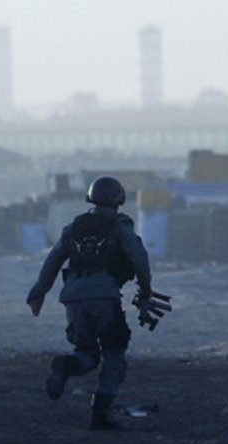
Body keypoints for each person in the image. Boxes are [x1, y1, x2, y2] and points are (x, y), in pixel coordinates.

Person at [26, 175, 152, 430]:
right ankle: (99, 416)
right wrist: (146, 290)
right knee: (114, 355)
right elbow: (139, 259)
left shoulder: (74, 228)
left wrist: (39, 291)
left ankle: (65, 366)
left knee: (87, 353)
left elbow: (53, 259)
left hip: (73, 299)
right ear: (118, 199)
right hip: (104, 298)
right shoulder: (120, 227)